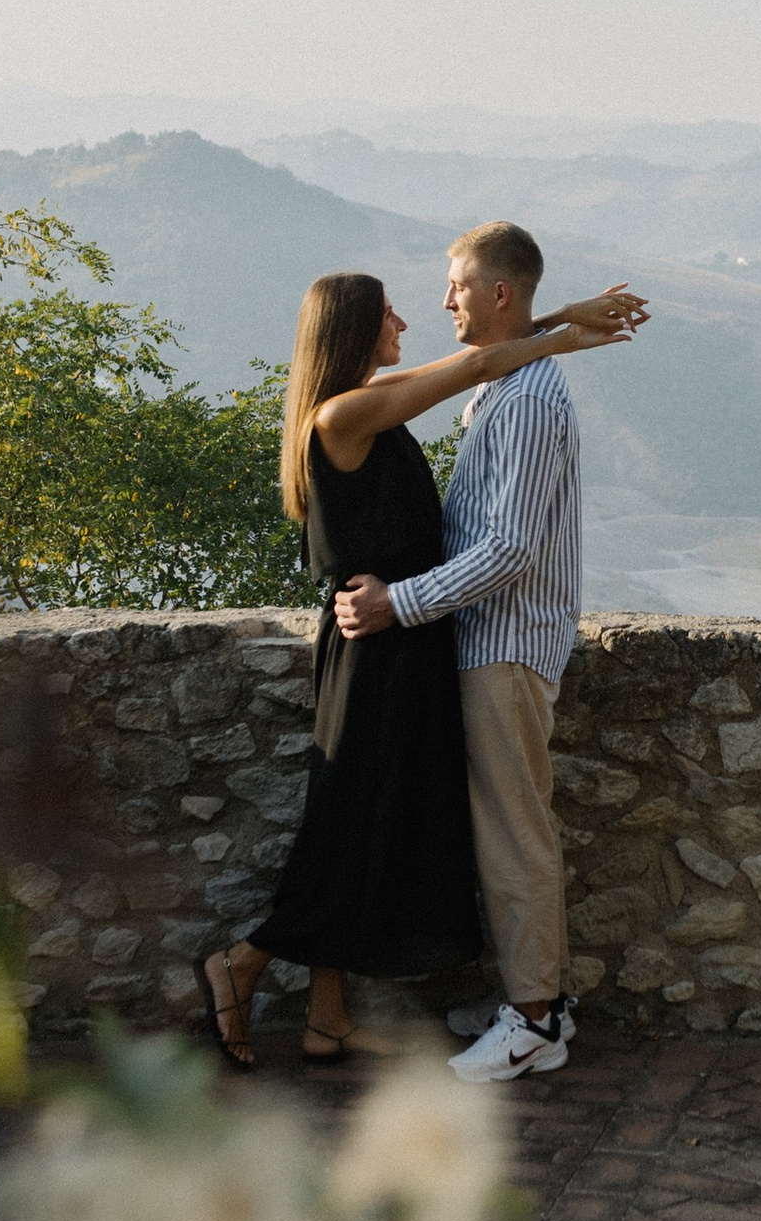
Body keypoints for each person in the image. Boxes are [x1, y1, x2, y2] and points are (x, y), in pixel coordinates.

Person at [193, 262, 642, 1070]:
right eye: (390, 316)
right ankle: (243, 962)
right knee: (347, 827)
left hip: (400, 638)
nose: (408, 325)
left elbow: (476, 359)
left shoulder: (359, 401)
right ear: (355, 331)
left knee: (363, 825)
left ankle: (324, 1018)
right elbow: (471, 366)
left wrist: (561, 314)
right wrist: (573, 337)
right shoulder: (345, 412)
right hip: (379, 648)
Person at [331, 220, 614, 1086]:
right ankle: (535, 1000)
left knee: (515, 836)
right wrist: (559, 320)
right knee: (506, 830)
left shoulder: (526, 400)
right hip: (489, 642)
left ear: (498, 294)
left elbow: (508, 552)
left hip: (506, 645)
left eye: (456, 285)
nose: (444, 300)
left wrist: (395, 605)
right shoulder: (509, 381)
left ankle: (533, 1022)